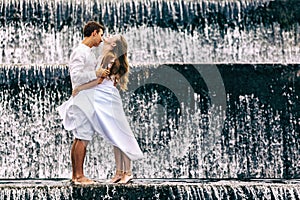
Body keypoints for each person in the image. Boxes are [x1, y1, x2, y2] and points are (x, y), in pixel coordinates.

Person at [72, 35, 143, 184]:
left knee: (120, 134)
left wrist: (79, 88)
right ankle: (119, 173)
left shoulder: (109, 57)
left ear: (113, 44)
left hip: (106, 98)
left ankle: (127, 172)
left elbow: (99, 81)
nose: (107, 37)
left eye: (111, 37)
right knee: (115, 135)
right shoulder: (109, 57)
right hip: (107, 97)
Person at [57, 21, 110, 185]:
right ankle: (79, 176)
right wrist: (96, 73)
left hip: (86, 98)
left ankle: (76, 175)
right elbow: (76, 77)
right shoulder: (80, 52)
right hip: (82, 100)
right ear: (94, 33)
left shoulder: (87, 52)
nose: (101, 39)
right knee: (82, 137)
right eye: (101, 35)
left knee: (80, 137)